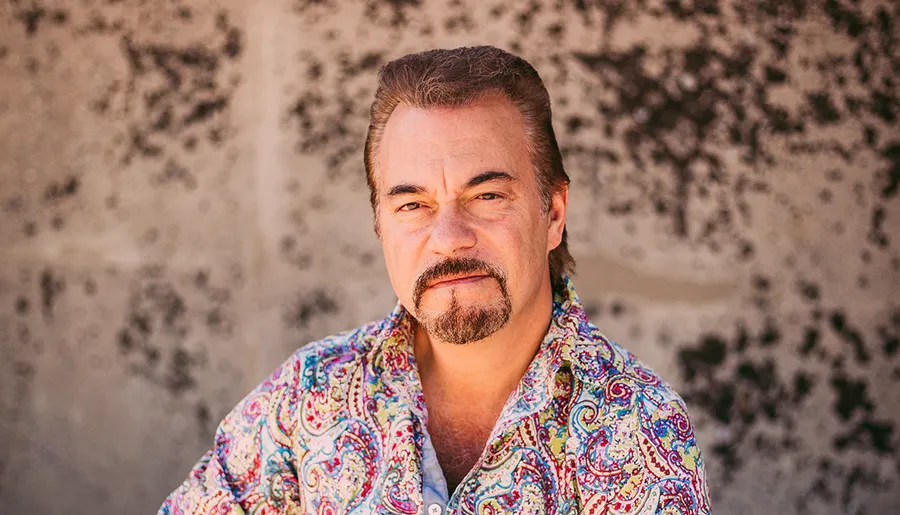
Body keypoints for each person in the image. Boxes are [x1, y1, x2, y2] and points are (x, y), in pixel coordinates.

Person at [159, 45, 710, 515]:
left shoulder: (638, 429)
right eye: (413, 204)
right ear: (380, 225)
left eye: (487, 196)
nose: (448, 237)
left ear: (555, 214)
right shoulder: (309, 398)